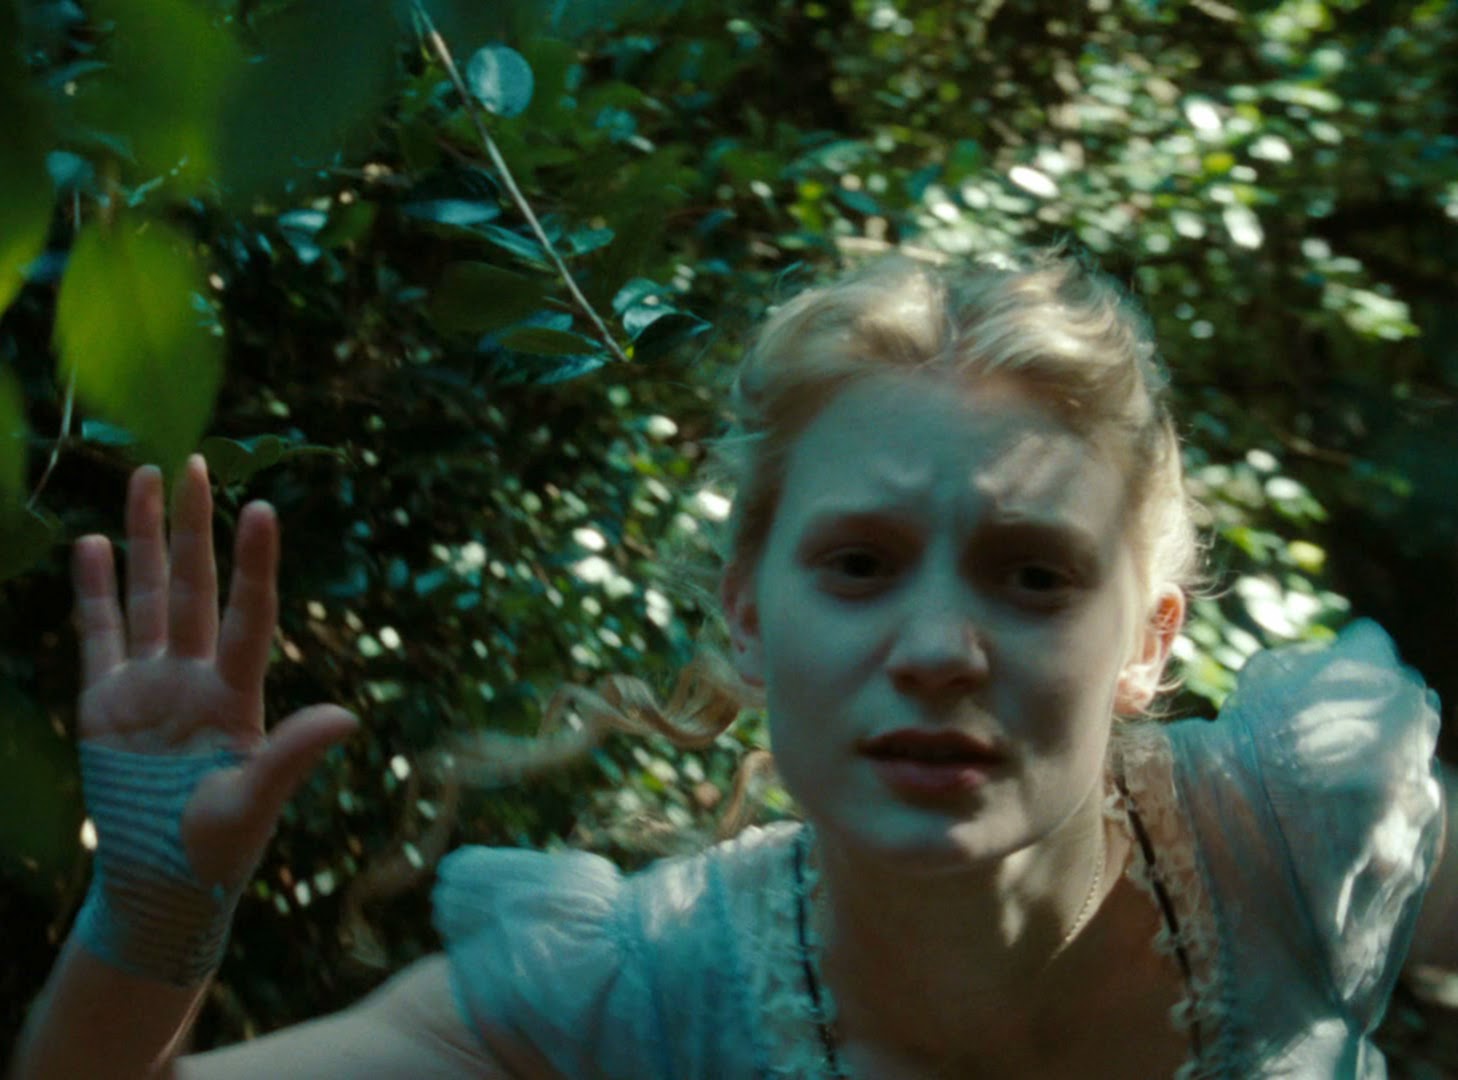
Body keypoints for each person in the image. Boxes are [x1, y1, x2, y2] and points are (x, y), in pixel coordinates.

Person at [11, 249, 1457, 1079]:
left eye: (1033, 576)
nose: (938, 651)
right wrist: (151, 915)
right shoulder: (635, 998)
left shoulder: (1299, 840)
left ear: (1147, 642)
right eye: (859, 565)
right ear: (750, 617)